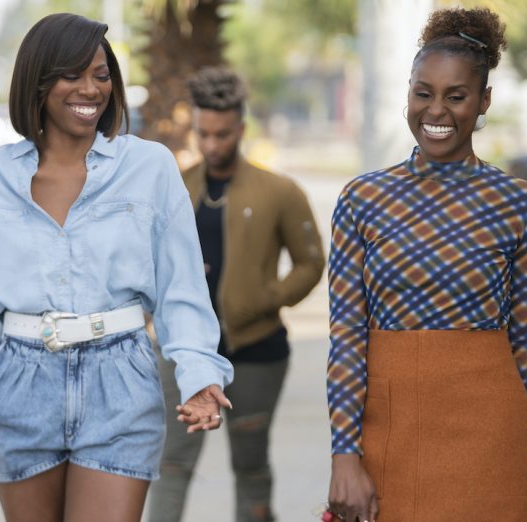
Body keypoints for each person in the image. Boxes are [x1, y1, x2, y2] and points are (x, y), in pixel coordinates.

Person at [0, 13, 234, 522]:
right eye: (72, 74)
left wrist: (200, 373)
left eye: (101, 74)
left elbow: (182, 288)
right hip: (21, 386)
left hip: (120, 384)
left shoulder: (150, 168)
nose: (90, 89)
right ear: (38, 80)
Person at [325, 7, 527, 522]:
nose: (435, 110)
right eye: (422, 93)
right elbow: (346, 333)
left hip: (490, 439)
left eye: (456, 96)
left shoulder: (520, 204)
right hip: (388, 431)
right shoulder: (363, 199)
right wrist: (343, 453)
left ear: (483, 101)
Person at [148, 67, 325, 522]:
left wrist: (266, 299)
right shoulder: (177, 187)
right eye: (203, 134)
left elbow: (310, 262)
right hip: (181, 352)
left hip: (257, 351)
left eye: (222, 134)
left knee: (250, 465)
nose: (211, 144)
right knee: (171, 464)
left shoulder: (279, 191)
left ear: (241, 129)